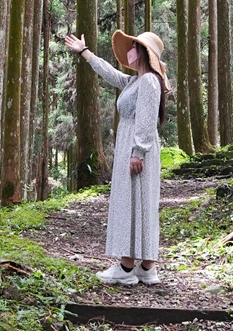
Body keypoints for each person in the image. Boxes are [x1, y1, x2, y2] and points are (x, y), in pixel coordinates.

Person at [61, 29, 169, 285]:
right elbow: (111, 74)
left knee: (134, 201)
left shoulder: (149, 82)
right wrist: (85, 53)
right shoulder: (136, 81)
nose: (128, 52)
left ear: (142, 52)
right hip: (132, 147)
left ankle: (127, 266)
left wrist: (138, 152)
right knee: (136, 201)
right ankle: (145, 267)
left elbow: (146, 119)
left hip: (137, 149)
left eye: (133, 47)